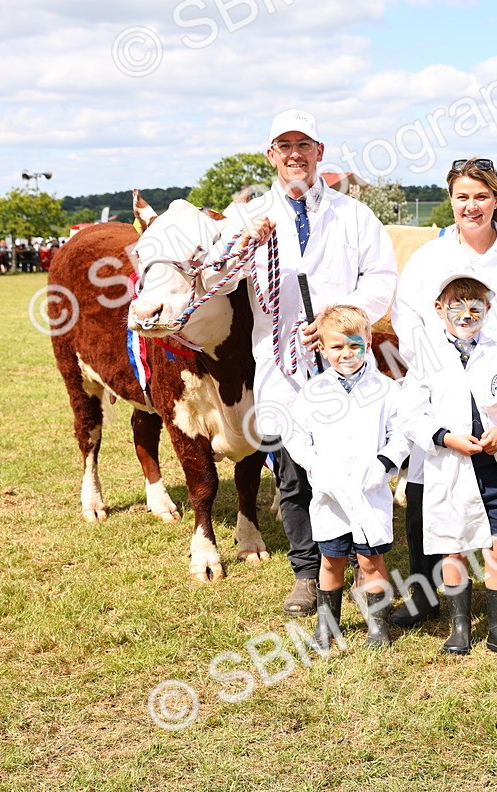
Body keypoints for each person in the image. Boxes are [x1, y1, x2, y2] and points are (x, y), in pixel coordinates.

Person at [219, 109, 398, 617]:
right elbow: (215, 283)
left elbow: (381, 276)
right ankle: (306, 573)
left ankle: (366, 564)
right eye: (284, 146)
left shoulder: (353, 214)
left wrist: (344, 319)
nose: (295, 154)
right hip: (282, 366)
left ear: (320, 152)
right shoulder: (246, 216)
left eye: (304, 144)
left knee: (359, 462)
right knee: (296, 470)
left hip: (346, 362)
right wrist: (240, 248)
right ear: (270, 155)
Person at [389, 157, 497, 628]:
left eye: (481, 196)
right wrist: (430, 358)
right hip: (443, 392)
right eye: (462, 196)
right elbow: (407, 319)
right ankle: (426, 596)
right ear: (451, 201)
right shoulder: (429, 258)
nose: (472, 205)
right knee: (430, 499)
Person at [404, 271, 497, 662]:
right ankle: (459, 628)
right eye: (457, 306)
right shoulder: (426, 358)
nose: (466, 315)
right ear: (439, 309)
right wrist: (445, 438)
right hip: (449, 468)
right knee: (451, 547)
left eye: (476, 307)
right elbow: (411, 414)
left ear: (488, 310)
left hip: (492, 467)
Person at [283, 305, 411, 650]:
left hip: (370, 492)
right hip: (330, 494)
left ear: (369, 342)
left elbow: (401, 433)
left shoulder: (386, 389)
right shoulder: (313, 392)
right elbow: (294, 435)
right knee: (331, 559)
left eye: (354, 345)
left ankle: (379, 628)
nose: (346, 353)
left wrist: (384, 463)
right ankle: (327, 628)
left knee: (371, 560)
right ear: (322, 348)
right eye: (337, 347)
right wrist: (316, 467)